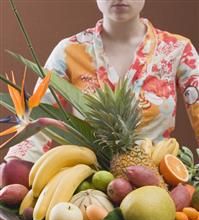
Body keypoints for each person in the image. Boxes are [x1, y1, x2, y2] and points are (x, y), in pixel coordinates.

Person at [1, 0, 199, 166]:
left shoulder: (177, 50)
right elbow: (39, 116)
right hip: (90, 187)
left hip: (162, 185)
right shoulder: (70, 51)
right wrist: (14, 170)